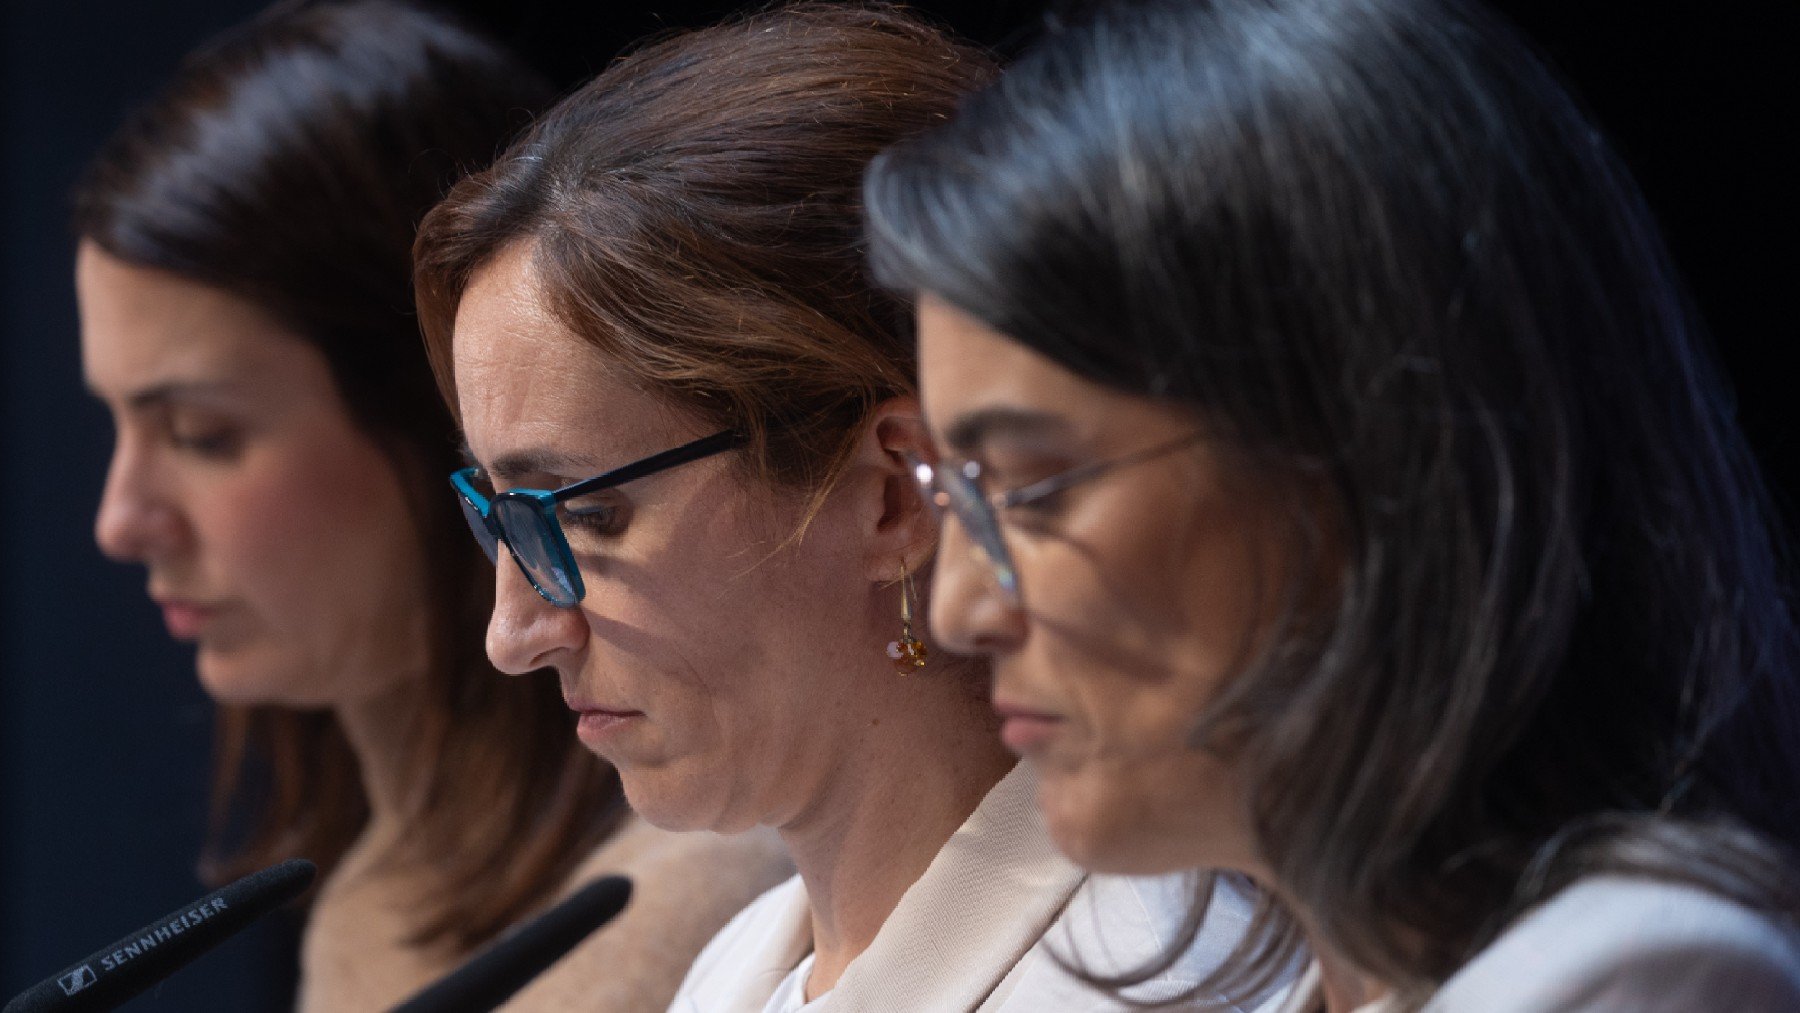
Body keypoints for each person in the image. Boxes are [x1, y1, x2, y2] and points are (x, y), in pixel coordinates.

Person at [863, 0, 1800, 1009]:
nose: (958, 607)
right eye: (955, 491)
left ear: (1382, 457)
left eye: (1036, 490)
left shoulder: (1638, 978)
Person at [414, 5, 1282, 1010]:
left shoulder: (1163, 977)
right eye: (497, 511)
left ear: (891, 497)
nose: (513, 633)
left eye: (583, 516)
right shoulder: (732, 972)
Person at [75, 3, 790, 1008]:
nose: (121, 518)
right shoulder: (370, 900)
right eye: (113, 422)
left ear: (442, 405)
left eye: (201, 434)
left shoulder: (698, 914)